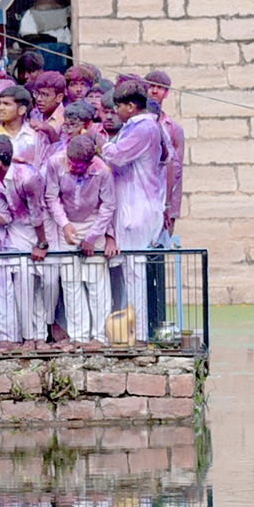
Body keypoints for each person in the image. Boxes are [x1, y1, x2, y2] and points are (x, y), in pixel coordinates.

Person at [0, 135, 52, 349]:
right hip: (15, 232)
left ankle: (39, 337)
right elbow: (5, 216)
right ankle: (28, 338)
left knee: (32, 286)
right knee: (22, 287)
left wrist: (41, 244)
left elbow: (37, 213)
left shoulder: (27, 177)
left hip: (38, 230)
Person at [99, 80, 166, 343]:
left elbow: (116, 155)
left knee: (135, 272)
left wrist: (98, 143)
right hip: (137, 204)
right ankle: (131, 333)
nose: (115, 112)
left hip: (137, 207)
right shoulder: (145, 126)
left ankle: (140, 337)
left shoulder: (144, 127)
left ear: (131, 106)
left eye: (119, 106)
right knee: (130, 272)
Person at [45, 135, 118, 348]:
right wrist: (65, 224)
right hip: (66, 223)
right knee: (70, 282)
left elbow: (108, 206)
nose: (73, 168)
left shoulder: (102, 170)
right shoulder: (55, 162)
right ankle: (79, 336)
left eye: (78, 166)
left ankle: (101, 337)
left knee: (96, 283)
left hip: (94, 222)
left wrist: (93, 237)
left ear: (89, 162)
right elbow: (51, 197)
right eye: (71, 163)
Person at [146, 70, 184, 236]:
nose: (155, 91)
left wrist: (172, 208)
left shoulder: (173, 128)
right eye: (151, 86)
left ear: (166, 93)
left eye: (160, 88)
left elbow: (176, 171)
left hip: (164, 197)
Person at [0, 86, 46, 168]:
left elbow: (45, 166)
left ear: (21, 110)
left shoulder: (36, 135)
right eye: (0, 104)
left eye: (7, 104)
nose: (1, 108)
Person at [29, 70, 66, 143]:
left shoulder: (66, 119)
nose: (39, 99)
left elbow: (63, 149)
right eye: (37, 93)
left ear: (59, 97)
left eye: (45, 95)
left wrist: (50, 131)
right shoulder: (34, 113)